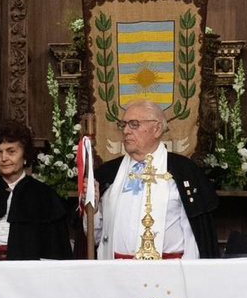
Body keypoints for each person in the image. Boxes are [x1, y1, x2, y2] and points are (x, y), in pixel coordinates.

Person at [93, 100, 219, 259]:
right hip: (116, 274)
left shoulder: (184, 172)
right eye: (123, 124)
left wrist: (189, 278)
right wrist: (92, 210)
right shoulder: (108, 173)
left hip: (169, 275)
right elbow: (95, 237)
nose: (125, 131)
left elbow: (194, 238)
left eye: (134, 124)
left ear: (157, 129)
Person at [0, 120, 76, 261]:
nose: (4, 158)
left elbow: (55, 249)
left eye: (11, 151)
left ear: (25, 156)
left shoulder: (44, 196)